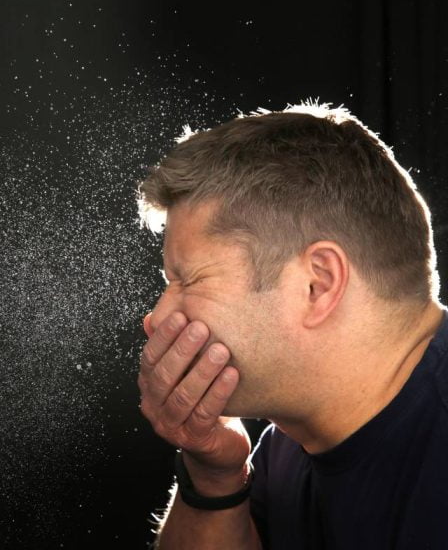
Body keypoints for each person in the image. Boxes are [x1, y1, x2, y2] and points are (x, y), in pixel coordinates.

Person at [137, 103, 447, 549]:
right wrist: (214, 479)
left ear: (317, 284)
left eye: (190, 280)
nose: (159, 318)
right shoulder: (285, 451)